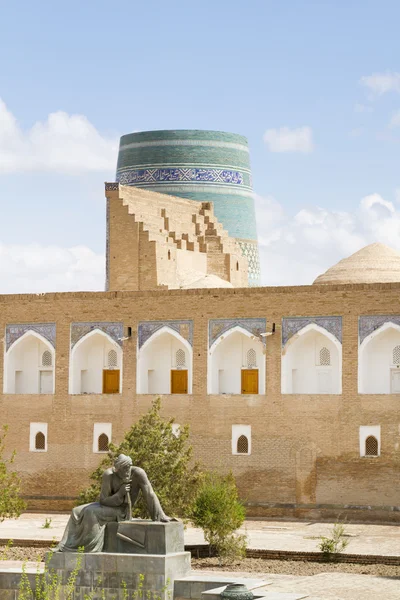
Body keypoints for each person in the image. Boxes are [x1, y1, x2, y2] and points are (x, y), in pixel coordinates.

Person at [56, 454, 174, 552]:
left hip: (122, 511)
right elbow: (103, 500)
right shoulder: (109, 475)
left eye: (129, 467)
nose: (127, 471)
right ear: (117, 469)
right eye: (124, 469)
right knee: (76, 511)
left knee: (91, 512)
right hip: (109, 505)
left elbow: (149, 493)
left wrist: (160, 516)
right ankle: (69, 545)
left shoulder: (138, 473)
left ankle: (87, 548)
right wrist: (119, 494)